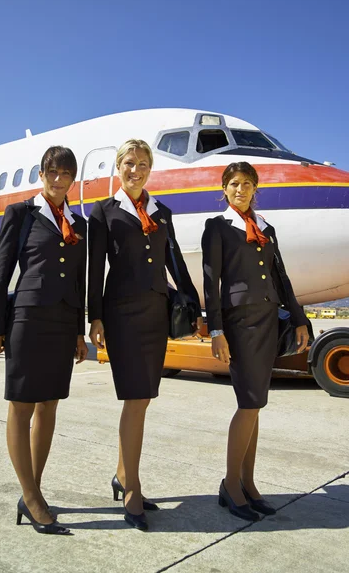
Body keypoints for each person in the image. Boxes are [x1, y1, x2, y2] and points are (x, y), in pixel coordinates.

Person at [88, 139, 202, 531]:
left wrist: (194, 307)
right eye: (129, 163)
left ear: (150, 170)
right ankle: (132, 487)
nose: (135, 170)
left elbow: (175, 262)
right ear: (117, 167)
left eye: (142, 164)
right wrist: (95, 318)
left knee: (143, 400)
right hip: (121, 316)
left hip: (155, 315)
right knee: (135, 399)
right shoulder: (102, 212)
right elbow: (94, 272)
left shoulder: (161, 212)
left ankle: (123, 475)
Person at [0, 146, 88, 535]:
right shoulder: (22, 214)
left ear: (73, 179)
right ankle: (30, 497)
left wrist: (79, 330)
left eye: (65, 173)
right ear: (41, 174)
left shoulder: (80, 224)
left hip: (62, 323)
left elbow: (79, 282)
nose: (58, 179)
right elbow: (2, 271)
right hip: (27, 319)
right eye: (52, 172)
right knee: (22, 406)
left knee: (50, 405)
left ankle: (34, 491)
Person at [202, 161, 309, 521]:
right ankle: (230, 484)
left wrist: (298, 318)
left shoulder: (266, 228)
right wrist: (215, 330)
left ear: (255, 188)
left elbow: (282, 278)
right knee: (248, 402)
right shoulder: (217, 228)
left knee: (256, 404)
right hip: (240, 325)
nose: (240, 189)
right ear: (224, 189)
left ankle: (247, 482)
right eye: (234, 183)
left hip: (267, 322)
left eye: (247, 183)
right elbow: (211, 284)